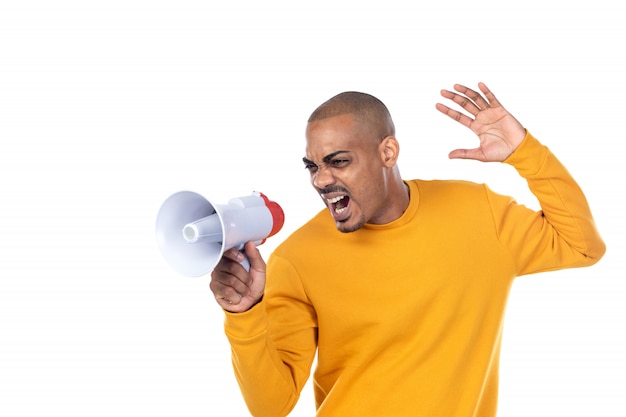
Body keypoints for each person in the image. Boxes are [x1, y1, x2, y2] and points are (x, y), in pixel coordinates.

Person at [209, 82, 606, 417]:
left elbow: (582, 246)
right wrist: (242, 314)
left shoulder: (478, 213)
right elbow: (271, 406)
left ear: (388, 153)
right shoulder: (298, 257)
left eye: (339, 161)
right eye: (312, 166)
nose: (321, 180)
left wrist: (526, 153)